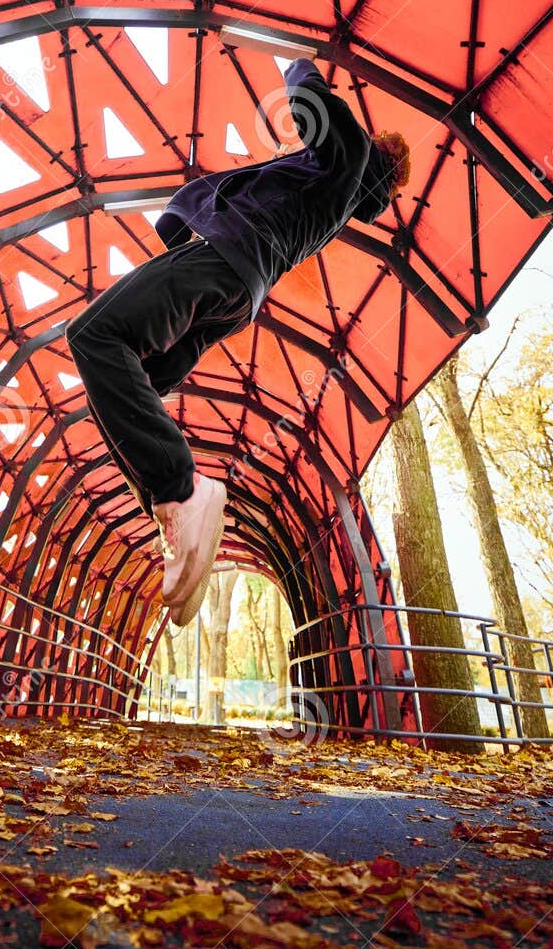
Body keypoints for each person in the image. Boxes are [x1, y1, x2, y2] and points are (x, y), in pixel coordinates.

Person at [65, 58, 410, 628]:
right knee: (133, 387)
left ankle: (180, 488)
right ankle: (172, 506)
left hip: (223, 262)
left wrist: (300, 59)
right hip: (236, 288)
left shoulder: (349, 162)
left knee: (96, 334)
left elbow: (311, 100)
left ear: (378, 153)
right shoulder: (334, 192)